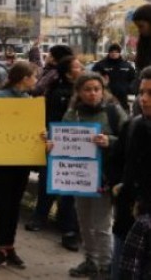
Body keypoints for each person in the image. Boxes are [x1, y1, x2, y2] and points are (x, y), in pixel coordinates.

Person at [61, 73, 126, 278]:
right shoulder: (72, 114)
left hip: (104, 178)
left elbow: (129, 139)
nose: (92, 94)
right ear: (79, 93)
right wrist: (52, 145)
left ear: (103, 90)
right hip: (79, 177)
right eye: (87, 89)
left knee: (102, 224)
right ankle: (90, 260)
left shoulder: (114, 112)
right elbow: (62, 141)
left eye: (96, 89)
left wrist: (110, 141)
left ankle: (106, 267)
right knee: (84, 222)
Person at [0, 61, 41, 270]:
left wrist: (40, 134)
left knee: (14, 205)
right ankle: (1, 248)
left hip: (21, 161)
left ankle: (10, 247)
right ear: (24, 78)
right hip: (2, 161)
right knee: (3, 205)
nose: (36, 80)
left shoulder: (29, 100)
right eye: (34, 76)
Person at [27, 54, 84, 251]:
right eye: (78, 66)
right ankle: (39, 217)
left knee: (70, 186)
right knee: (47, 180)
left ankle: (69, 229)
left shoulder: (86, 89)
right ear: (68, 72)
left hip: (78, 146)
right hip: (55, 142)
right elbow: (48, 116)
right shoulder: (56, 91)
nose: (82, 68)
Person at [112, 67, 151, 280]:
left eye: (150, 93)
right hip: (128, 219)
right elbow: (116, 161)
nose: (143, 99)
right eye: (141, 92)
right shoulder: (133, 125)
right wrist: (119, 185)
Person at [92, 43, 136, 113]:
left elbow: (134, 79)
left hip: (123, 100)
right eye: (112, 52)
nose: (114, 54)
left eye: (116, 52)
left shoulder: (127, 66)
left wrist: (129, 89)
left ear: (119, 53)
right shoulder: (100, 65)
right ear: (109, 53)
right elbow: (92, 77)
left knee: (124, 120)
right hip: (106, 98)